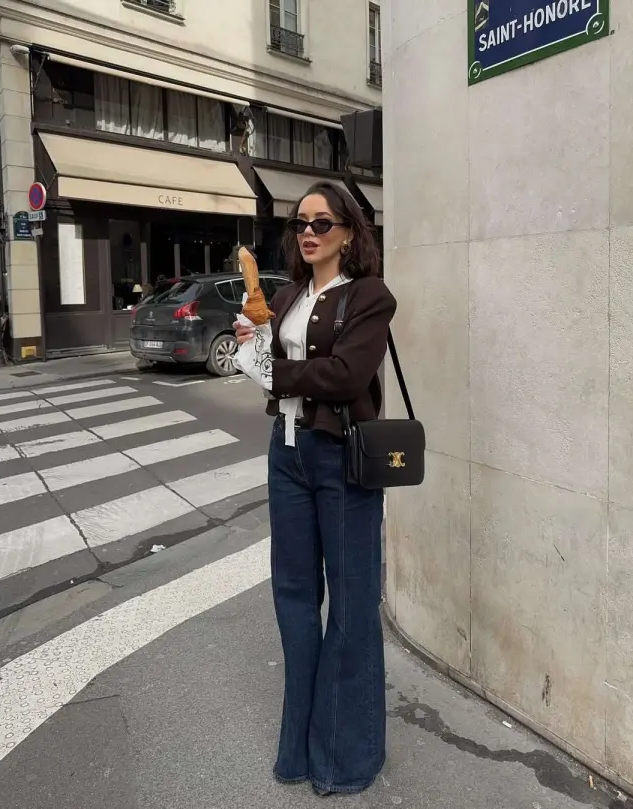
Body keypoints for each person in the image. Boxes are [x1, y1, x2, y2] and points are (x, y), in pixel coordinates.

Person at [235, 181, 397, 796]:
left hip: (343, 462)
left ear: (349, 233)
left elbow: (347, 373)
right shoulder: (285, 295)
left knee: (352, 607)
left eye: (322, 223)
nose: (308, 232)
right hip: (289, 454)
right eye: (301, 222)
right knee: (295, 599)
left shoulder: (369, 297)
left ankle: (345, 758)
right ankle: (298, 753)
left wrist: (278, 368)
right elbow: (278, 379)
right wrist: (256, 351)